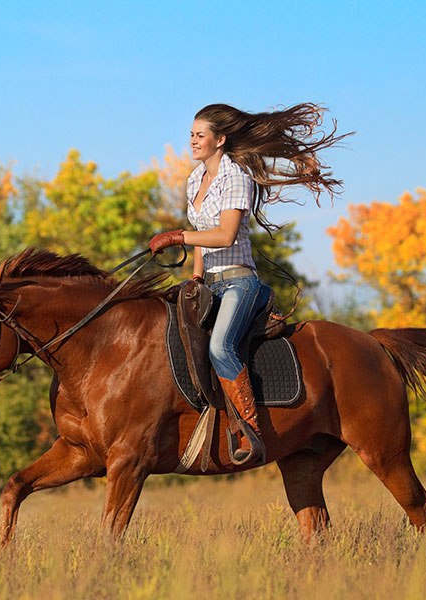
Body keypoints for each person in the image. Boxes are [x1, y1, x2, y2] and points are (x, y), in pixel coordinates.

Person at [149, 103, 347, 464]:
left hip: (239, 283)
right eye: (191, 135)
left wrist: (178, 236)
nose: (193, 141)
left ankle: (248, 430)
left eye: (200, 135)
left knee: (221, 347)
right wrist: (194, 279)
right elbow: (200, 239)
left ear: (220, 139)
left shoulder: (236, 177)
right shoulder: (195, 179)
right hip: (209, 283)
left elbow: (223, 236)